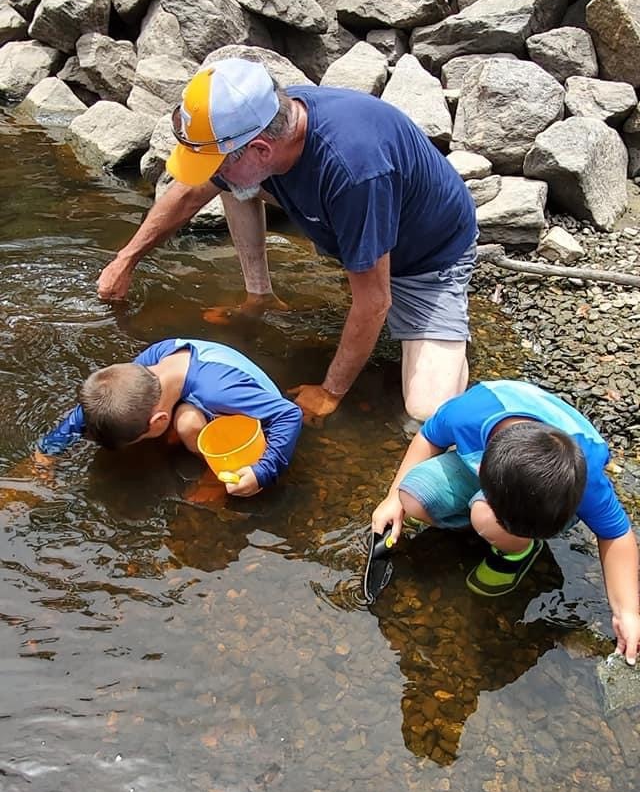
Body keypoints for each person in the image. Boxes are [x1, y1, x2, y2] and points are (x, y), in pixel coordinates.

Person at [97, 56, 477, 424]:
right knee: (232, 182)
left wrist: (330, 392)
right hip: (354, 215)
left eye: (216, 161)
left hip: (427, 262)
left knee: (427, 412)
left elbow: (374, 302)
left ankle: (449, 338)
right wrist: (126, 259)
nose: (213, 172)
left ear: (261, 148)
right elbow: (189, 192)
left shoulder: (354, 174)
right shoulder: (267, 116)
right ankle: (259, 294)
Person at [371, 379, 640, 664]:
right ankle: (491, 527)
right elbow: (428, 437)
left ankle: (518, 550)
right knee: (411, 498)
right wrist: (391, 498)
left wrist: (627, 612)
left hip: (539, 479)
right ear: (481, 468)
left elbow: (617, 535)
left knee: (482, 514)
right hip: (493, 447)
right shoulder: (468, 415)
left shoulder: (581, 474)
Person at [37, 337, 303, 496]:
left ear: (158, 422)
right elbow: (100, 401)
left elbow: (289, 415)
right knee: (182, 420)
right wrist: (48, 451)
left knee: (188, 425)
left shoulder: (218, 391)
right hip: (194, 393)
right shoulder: (146, 366)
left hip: (251, 417)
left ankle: (215, 475)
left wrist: (263, 471)